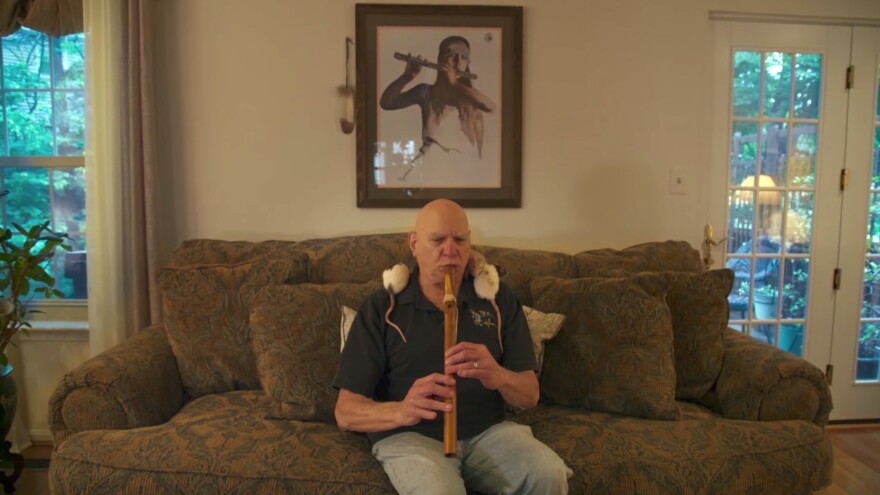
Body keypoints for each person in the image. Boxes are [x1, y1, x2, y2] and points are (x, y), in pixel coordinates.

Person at [334, 199, 571, 495]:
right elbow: (346, 412)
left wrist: (498, 375)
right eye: (437, 240)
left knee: (547, 474)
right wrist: (402, 410)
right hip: (411, 437)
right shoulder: (382, 307)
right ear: (414, 243)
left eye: (460, 240)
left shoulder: (497, 300)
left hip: (488, 432)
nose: (450, 251)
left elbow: (529, 395)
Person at [379, 36, 496, 182]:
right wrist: (407, 76)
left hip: (463, 175)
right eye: (452, 56)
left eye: (464, 57)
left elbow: (491, 107)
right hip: (428, 171)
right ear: (441, 60)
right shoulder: (426, 93)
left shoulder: (472, 98)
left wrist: (454, 83)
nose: (458, 61)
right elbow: (387, 103)